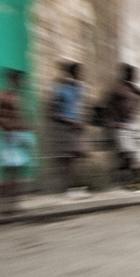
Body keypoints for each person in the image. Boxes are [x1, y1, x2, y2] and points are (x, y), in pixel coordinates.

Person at [0, 69, 34, 215]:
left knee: (17, 172)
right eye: (17, 80)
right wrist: (8, 129)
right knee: (8, 172)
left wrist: (26, 128)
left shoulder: (18, 97)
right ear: (11, 80)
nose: (19, 83)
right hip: (9, 137)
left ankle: (13, 204)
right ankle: (2, 205)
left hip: (18, 136)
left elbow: (18, 118)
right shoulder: (4, 97)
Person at [50, 61, 90, 198]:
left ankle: (77, 185)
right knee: (69, 158)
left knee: (80, 155)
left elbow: (81, 107)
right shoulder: (60, 88)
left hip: (77, 127)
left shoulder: (80, 88)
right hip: (65, 127)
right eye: (78, 72)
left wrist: (82, 122)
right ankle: (71, 188)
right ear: (72, 72)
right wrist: (70, 122)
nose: (81, 74)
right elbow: (52, 113)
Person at [106, 64, 140, 190]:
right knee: (126, 154)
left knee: (134, 154)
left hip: (131, 122)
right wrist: (114, 120)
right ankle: (125, 181)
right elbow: (109, 105)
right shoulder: (118, 88)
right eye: (132, 74)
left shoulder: (132, 88)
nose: (134, 76)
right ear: (126, 74)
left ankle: (131, 181)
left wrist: (136, 109)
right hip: (121, 124)